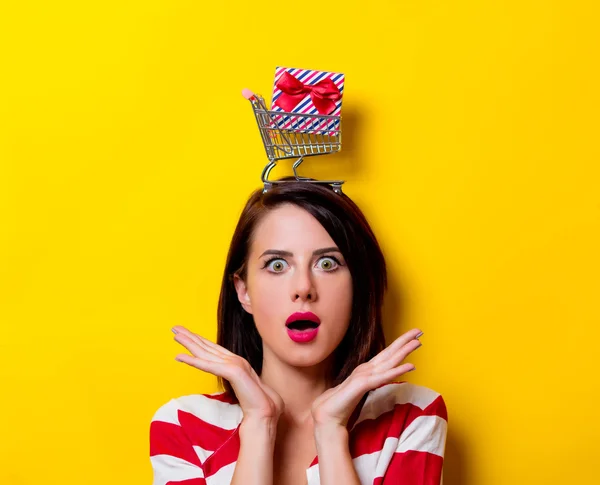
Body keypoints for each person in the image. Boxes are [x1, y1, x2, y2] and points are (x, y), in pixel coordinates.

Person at [149, 176, 448, 485]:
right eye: (277, 265)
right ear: (244, 292)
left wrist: (330, 431)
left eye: (328, 264)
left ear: (358, 286)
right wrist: (259, 424)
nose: (304, 288)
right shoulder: (183, 425)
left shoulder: (411, 417)